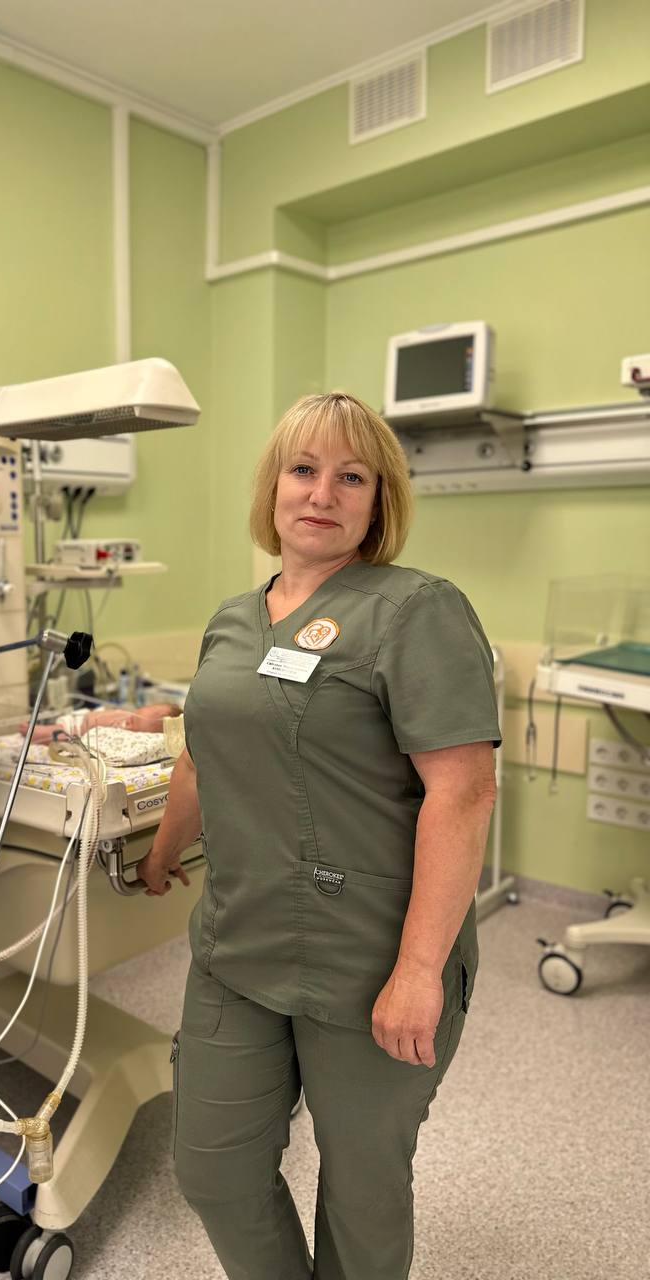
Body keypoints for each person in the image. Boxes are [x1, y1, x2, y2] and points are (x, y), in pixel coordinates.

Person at [136, 393, 500, 1280]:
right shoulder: (234, 618)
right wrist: (163, 849)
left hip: (370, 953)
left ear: (379, 502)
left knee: (362, 1190)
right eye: (303, 470)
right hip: (239, 938)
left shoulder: (417, 610)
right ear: (274, 487)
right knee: (214, 1170)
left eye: (351, 477)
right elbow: (203, 753)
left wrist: (419, 971)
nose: (322, 493)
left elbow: (463, 792)